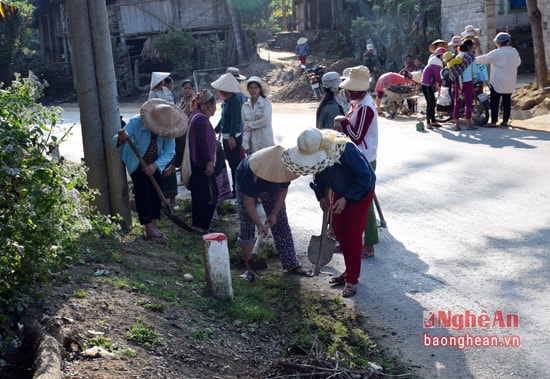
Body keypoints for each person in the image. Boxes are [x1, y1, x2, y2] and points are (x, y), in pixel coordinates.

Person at [282, 129, 376, 297]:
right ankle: (349, 271)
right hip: (341, 189)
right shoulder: (314, 152)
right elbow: (318, 175)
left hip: (360, 190)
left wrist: (346, 198)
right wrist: (321, 196)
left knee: (352, 234)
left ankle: (352, 279)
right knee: (339, 229)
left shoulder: (346, 151)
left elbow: (366, 177)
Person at [112, 99, 188, 243]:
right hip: (136, 161)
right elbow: (116, 139)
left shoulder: (168, 130)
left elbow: (169, 152)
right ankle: (148, 225)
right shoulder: (137, 122)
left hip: (155, 163)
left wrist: (154, 166)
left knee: (156, 191)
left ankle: (153, 224)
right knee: (143, 191)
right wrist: (121, 138)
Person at [236, 145, 312, 282]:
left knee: (281, 222)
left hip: (270, 189)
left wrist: (274, 213)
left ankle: (291, 264)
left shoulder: (284, 168)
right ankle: (250, 270)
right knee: (247, 224)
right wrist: (259, 224)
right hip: (249, 184)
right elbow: (249, 203)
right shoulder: (251, 170)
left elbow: (283, 190)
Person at [333, 65, 379, 258]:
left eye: (351, 89)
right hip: (356, 158)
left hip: (364, 159)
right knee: (354, 203)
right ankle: (350, 241)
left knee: (364, 205)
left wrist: (342, 122)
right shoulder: (358, 104)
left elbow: (357, 136)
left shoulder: (367, 107)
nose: (348, 92)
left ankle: (369, 245)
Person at [186, 89, 219, 234]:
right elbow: (203, 143)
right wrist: (209, 162)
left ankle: (200, 224)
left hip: (197, 162)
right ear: (207, 105)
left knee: (200, 195)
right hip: (201, 163)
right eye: (214, 105)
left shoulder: (197, 116)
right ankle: (201, 225)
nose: (215, 109)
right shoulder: (200, 120)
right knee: (209, 195)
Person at [475, 32, 521, 127]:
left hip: (497, 81)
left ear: (499, 43)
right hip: (510, 81)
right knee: (507, 101)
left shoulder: (497, 52)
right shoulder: (514, 51)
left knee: (495, 102)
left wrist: (471, 59)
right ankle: (505, 121)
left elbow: (484, 59)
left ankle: (493, 121)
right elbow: (518, 62)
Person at [212, 72, 243, 198]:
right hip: (226, 136)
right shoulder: (226, 101)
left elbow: (235, 119)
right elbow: (223, 119)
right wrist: (215, 130)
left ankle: (237, 190)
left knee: (235, 164)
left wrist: (231, 136)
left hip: (233, 136)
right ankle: (235, 189)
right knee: (231, 163)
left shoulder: (235, 100)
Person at [240, 76, 274, 154]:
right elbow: (245, 127)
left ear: (260, 89)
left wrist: (250, 124)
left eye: (256, 87)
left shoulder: (266, 103)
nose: (253, 90)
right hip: (252, 144)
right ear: (248, 89)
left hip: (265, 142)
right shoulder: (245, 106)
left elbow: (265, 121)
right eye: (251, 88)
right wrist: (245, 143)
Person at [450, 39, 477, 131]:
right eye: (472, 47)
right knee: (468, 103)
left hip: (458, 82)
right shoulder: (471, 57)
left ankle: (457, 125)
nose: (473, 49)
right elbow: (474, 71)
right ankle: (469, 125)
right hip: (468, 81)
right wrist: (473, 78)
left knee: (457, 102)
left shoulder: (458, 56)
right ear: (469, 47)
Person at [421, 47, 446, 129]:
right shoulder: (436, 64)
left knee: (432, 103)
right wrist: (442, 82)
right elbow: (437, 77)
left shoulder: (434, 62)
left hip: (429, 85)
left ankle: (433, 121)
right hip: (427, 85)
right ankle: (428, 122)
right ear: (441, 56)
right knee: (430, 104)